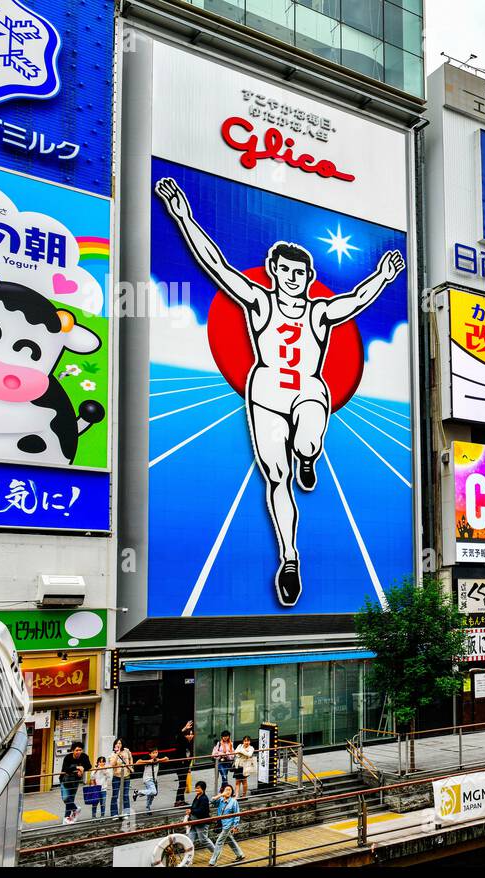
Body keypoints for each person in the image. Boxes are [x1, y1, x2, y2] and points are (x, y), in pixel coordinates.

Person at [155, 176, 406, 607]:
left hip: (308, 388)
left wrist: (382, 279)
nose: (293, 278)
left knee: (307, 440)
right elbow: (216, 265)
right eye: (285, 271)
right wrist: (183, 217)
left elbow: (356, 300)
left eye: (300, 273)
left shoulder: (320, 311)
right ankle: (289, 558)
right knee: (276, 475)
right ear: (274, 272)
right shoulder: (259, 301)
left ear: (310, 277)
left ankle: (309, 455)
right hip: (267, 388)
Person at [209, 783, 247, 866]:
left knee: (219, 842)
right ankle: (240, 855)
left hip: (228, 825)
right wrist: (221, 794)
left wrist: (235, 826)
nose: (228, 791)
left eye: (230, 790)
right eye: (226, 790)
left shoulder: (233, 802)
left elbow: (237, 814)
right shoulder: (220, 800)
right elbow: (211, 801)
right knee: (229, 840)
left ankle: (212, 862)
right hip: (221, 824)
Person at [59, 742, 92, 825]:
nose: (78, 752)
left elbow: (89, 766)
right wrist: (77, 767)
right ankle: (76, 809)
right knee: (65, 798)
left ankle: (66, 818)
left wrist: (82, 769)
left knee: (70, 799)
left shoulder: (84, 757)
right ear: (72, 750)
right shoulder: (68, 757)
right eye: (76, 750)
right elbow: (65, 768)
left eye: (80, 750)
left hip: (75, 781)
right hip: (65, 780)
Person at [183, 781, 218, 857]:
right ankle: (188, 858)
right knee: (190, 841)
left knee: (203, 840)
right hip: (194, 822)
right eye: (196, 788)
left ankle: (216, 853)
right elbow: (194, 807)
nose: (196, 789)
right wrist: (189, 811)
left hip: (202, 822)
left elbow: (202, 811)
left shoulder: (204, 798)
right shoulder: (197, 797)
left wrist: (191, 811)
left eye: (198, 788)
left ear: (203, 789)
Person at [109, 738, 134, 817]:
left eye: (120, 743)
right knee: (115, 795)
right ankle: (114, 814)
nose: (118, 745)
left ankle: (126, 813)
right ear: (114, 745)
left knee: (125, 795)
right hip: (116, 776)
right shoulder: (113, 754)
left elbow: (131, 758)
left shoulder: (126, 751)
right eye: (117, 743)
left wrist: (131, 766)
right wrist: (117, 754)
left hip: (126, 776)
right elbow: (112, 764)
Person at [135, 748, 165, 813]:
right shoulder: (146, 757)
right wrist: (148, 761)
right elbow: (137, 762)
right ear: (150, 754)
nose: (155, 754)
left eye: (156, 752)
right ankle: (138, 792)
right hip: (148, 779)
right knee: (153, 792)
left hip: (154, 779)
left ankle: (147, 808)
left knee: (152, 794)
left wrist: (159, 760)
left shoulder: (157, 757)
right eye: (153, 753)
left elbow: (167, 758)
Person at [174, 721, 196, 807]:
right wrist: (184, 728)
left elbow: (190, 757)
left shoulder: (190, 743)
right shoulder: (182, 741)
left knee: (183, 783)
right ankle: (178, 801)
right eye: (188, 734)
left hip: (186, 766)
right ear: (185, 735)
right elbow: (178, 736)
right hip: (180, 765)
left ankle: (181, 800)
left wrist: (189, 767)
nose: (190, 736)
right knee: (182, 783)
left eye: (191, 734)